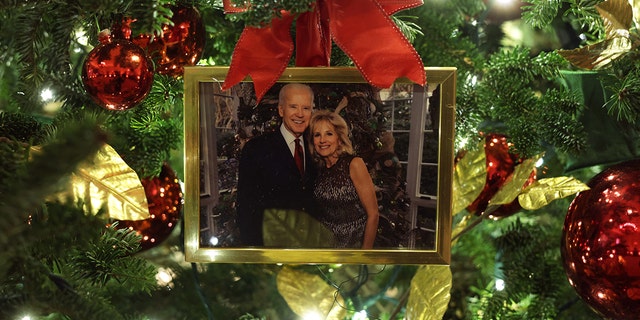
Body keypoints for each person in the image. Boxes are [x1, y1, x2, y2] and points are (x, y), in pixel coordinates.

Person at [236, 83, 317, 246]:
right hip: (272, 249)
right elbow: (245, 208)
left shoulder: (317, 146)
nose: (300, 114)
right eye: (293, 107)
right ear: (281, 110)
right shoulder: (256, 149)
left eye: (306, 108)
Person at [308, 110, 380, 249]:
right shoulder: (318, 169)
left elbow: (373, 214)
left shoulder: (354, 164)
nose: (322, 140)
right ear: (313, 141)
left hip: (353, 248)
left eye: (329, 134)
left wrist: (364, 256)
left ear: (339, 138)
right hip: (326, 249)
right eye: (317, 135)